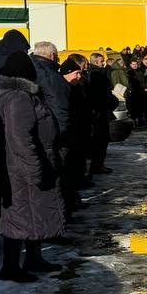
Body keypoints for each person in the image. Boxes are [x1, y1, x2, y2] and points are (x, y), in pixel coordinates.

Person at [0, 51, 65, 282]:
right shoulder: (17, 98)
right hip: (21, 168)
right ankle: (11, 267)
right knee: (19, 217)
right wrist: (35, 170)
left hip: (24, 165)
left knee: (33, 214)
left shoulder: (20, 95)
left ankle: (34, 258)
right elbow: (20, 139)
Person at [59, 55, 89, 218]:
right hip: (70, 137)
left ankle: (73, 201)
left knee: (75, 173)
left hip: (78, 135)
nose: (80, 76)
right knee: (68, 176)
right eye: (77, 73)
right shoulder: (63, 89)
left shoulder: (74, 87)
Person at [30, 41, 70, 143]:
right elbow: (58, 103)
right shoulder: (49, 75)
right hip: (51, 128)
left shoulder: (30, 69)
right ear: (52, 56)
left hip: (34, 125)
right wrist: (64, 133)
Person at [86, 52, 117, 176]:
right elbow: (101, 95)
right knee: (100, 140)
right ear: (95, 62)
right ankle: (97, 165)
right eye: (101, 61)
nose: (103, 63)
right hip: (99, 112)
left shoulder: (98, 73)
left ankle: (98, 165)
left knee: (101, 140)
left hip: (101, 111)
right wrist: (112, 102)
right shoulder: (96, 75)